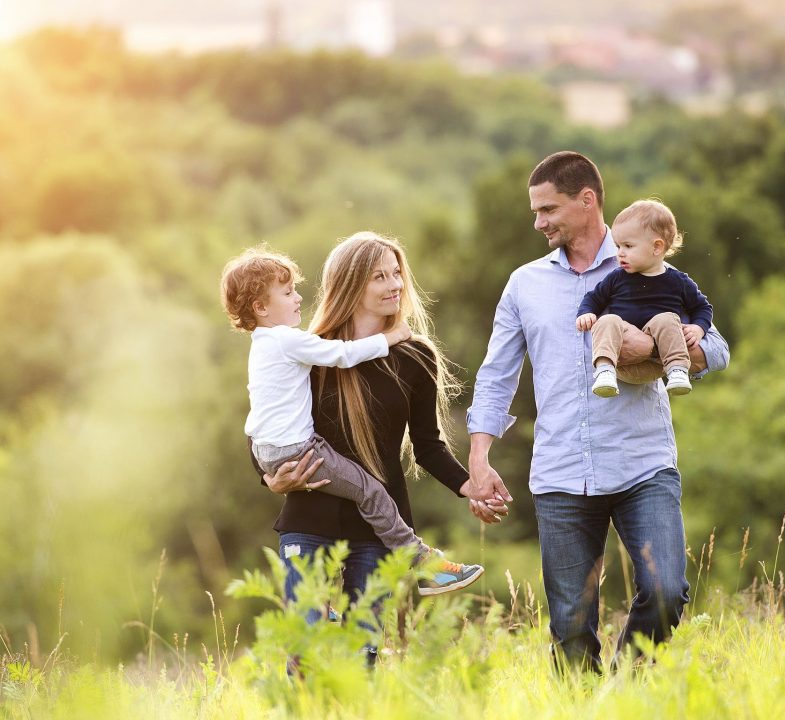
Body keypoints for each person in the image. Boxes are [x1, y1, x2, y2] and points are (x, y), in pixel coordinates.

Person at [465, 151, 730, 672]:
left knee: (665, 591)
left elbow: (716, 349)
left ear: (587, 201)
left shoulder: (655, 269)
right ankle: (586, 704)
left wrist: (658, 350)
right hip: (561, 471)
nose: (538, 222)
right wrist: (479, 458)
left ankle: (624, 694)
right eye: (535, 212)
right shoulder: (525, 284)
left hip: (642, 463)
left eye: (548, 209)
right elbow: (496, 374)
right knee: (569, 624)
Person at [257, 232, 489, 661]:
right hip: (309, 515)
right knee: (305, 653)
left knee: (362, 654)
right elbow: (266, 425)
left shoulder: (416, 356)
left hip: (378, 527)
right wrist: (272, 478)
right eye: (379, 276)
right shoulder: (311, 350)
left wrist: (468, 485)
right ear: (350, 285)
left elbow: (428, 446)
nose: (395, 284)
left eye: (397, 272)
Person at [575, 199, 714, 398]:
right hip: (622, 362)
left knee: (666, 319)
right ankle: (604, 370)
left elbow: (702, 307)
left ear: (657, 247)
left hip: (660, 365)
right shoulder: (617, 277)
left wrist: (699, 328)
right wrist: (586, 313)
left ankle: (678, 371)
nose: (620, 253)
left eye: (628, 246)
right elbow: (593, 298)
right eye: (617, 246)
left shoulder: (678, 281)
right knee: (607, 320)